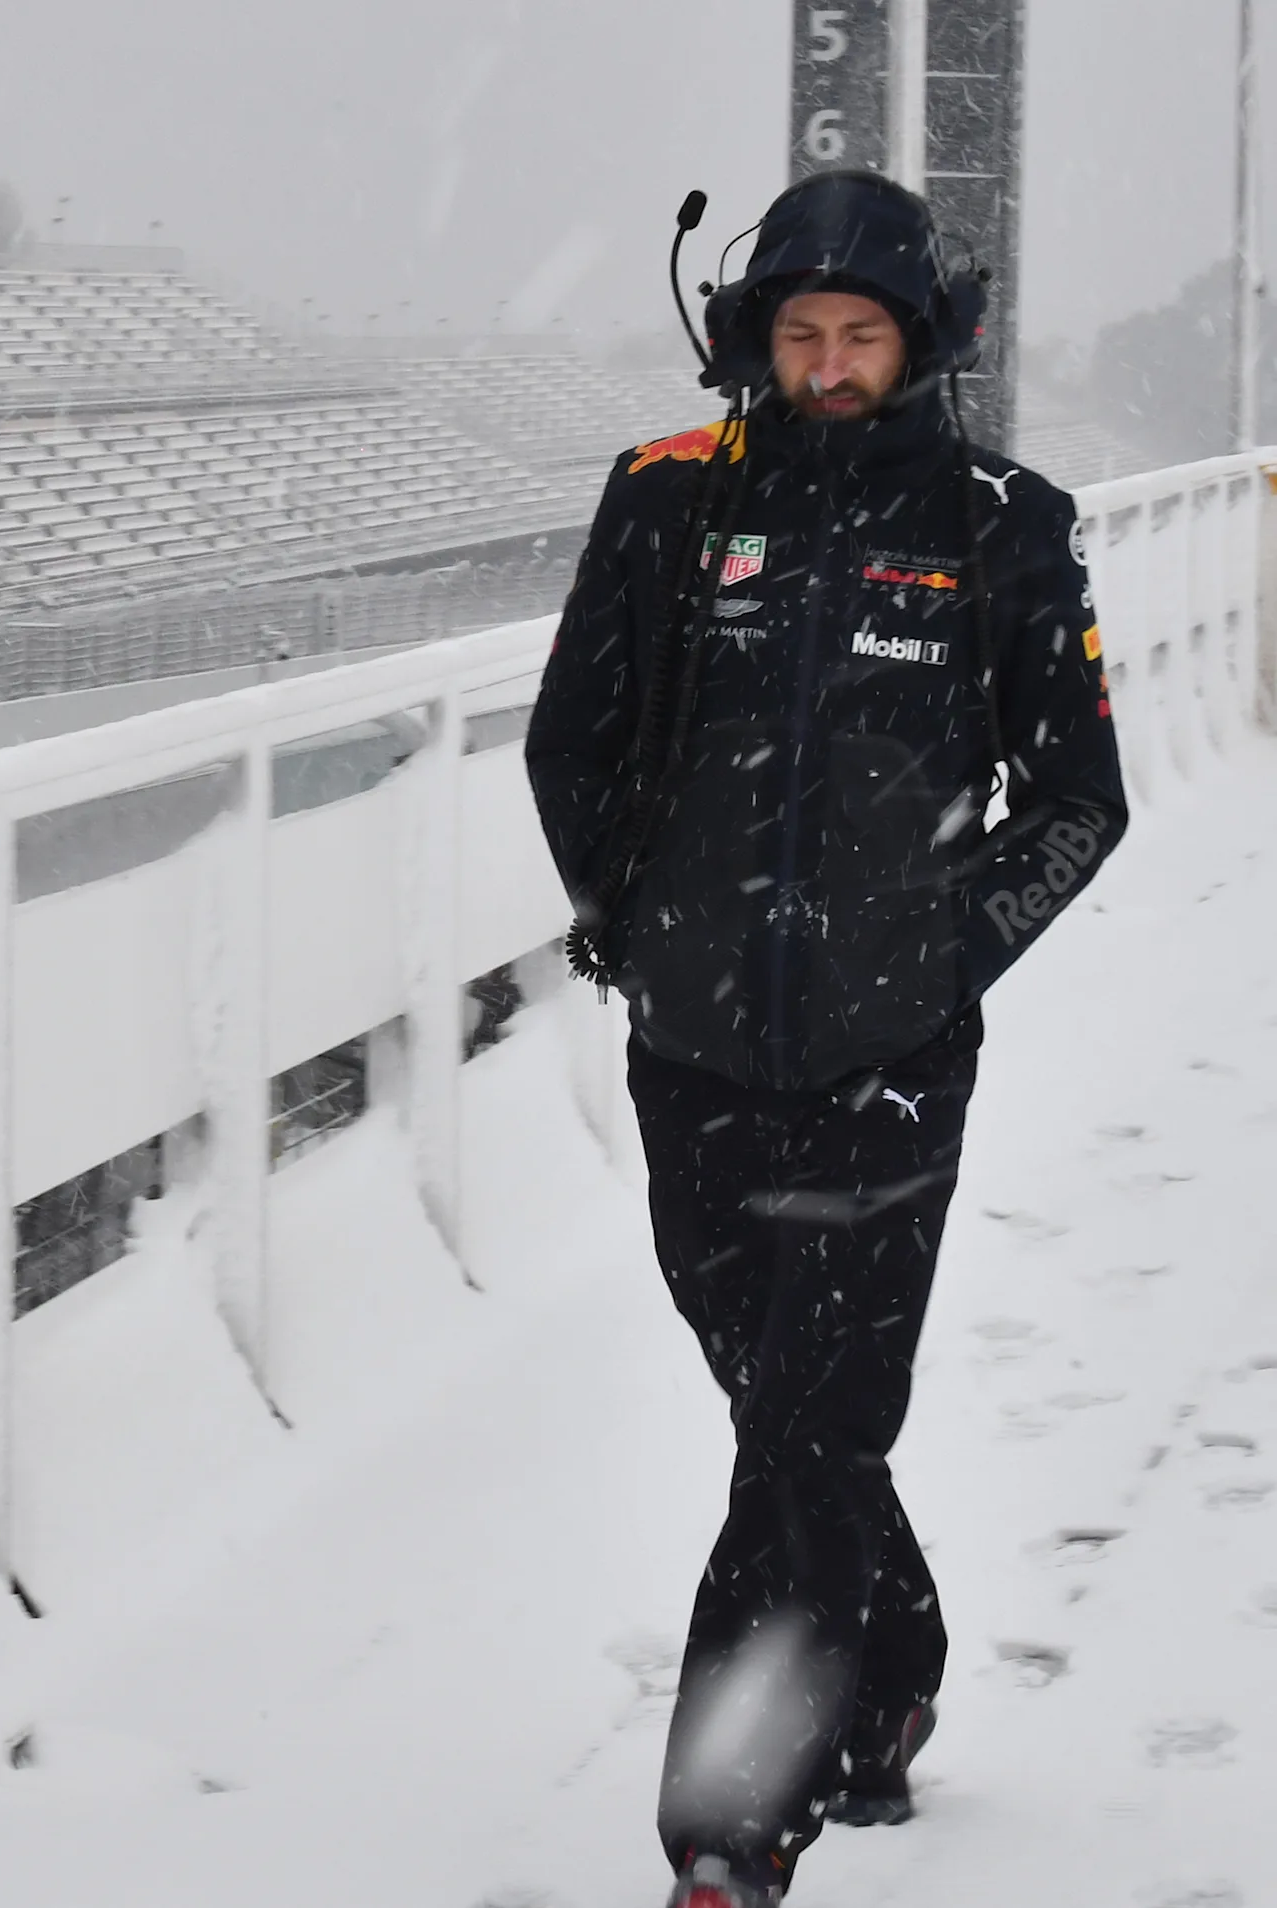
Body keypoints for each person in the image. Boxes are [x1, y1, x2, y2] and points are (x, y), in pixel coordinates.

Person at [524, 170, 1127, 1908]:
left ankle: (732, 1835)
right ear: (751, 337)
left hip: (891, 1066)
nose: (833, 361)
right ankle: (892, 1678)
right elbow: (574, 744)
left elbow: (1082, 801)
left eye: (864, 333)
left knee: (806, 1422)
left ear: (921, 340)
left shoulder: (1010, 521)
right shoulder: (659, 501)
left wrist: (941, 966)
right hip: (694, 1054)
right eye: (802, 332)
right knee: (793, 1415)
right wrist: (642, 937)